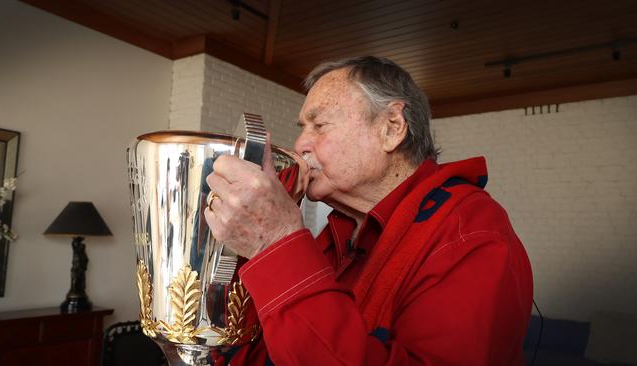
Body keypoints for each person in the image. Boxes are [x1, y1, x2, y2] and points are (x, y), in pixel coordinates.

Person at [204, 56, 533, 365]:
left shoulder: (469, 231)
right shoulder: (340, 233)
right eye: (303, 128)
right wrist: (256, 237)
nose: (301, 144)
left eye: (319, 125)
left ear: (391, 127)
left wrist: (276, 241)